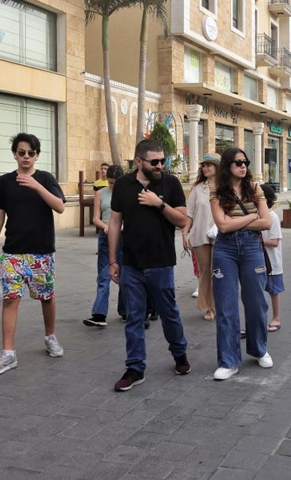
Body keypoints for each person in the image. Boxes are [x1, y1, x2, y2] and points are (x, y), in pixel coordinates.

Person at [108, 139, 191, 391]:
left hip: (162, 262)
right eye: (154, 162)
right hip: (131, 264)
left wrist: (159, 204)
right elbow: (114, 223)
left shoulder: (170, 182)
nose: (159, 165)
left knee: (169, 313)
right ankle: (135, 367)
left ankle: (179, 354)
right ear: (138, 162)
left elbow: (183, 220)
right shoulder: (123, 185)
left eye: (162, 160)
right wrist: (113, 260)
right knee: (134, 317)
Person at [0, 133, 67, 377]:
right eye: (22, 152)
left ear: (37, 155)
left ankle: (50, 336)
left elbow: (60, 206)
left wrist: (37, 186)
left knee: (47, 298)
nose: (26, 157)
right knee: (10, 299)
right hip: (13, 253)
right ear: (15, 154)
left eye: (31, 153)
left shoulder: (46, 178)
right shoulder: (5, 182)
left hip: (41, 252)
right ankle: (8, 353)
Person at [210, 148, 273, 380]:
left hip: (251, 247)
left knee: (256, 302)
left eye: (245, 161)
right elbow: (222, 227)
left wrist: (235, 221)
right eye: (238, 162)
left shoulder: (255, 188)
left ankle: (259, 349)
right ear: (228, 166)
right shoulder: (216, 190)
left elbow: (266, 222)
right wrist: (250, 217)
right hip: (225, 248)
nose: (243, 166)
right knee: (226, 306)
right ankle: (228, 360)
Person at [84, 165, 126, 328]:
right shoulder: (100, 193)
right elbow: (95, 218)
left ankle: (125, 310)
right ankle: (99, 313)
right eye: (110, 182)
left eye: (116, 183)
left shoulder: (127, 193)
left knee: (124, 274)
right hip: (106, 233)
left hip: (123, 234)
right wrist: (105, 226)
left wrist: (122, 227)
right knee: (103, 275)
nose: (113, 186)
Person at [182, 153, 219, 321]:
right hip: (200, 235)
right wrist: (185, 233)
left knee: (219, 272)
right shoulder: (197, 189)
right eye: (203, 166)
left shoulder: (226, 188)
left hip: (222, 236)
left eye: (208, 165)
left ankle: (220, 305)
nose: (205, 168)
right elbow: (189, 214)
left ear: (217, 168)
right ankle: (209, 308)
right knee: (206, 272)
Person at [260, 184, 284, 333]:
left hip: (271, 262)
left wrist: (258, 242)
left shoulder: (272, 216)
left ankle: (276, 317)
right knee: (255, 291)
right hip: (256, 260)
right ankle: (258, 319)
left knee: (273, 291)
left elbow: (274, 242)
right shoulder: (253, 215)